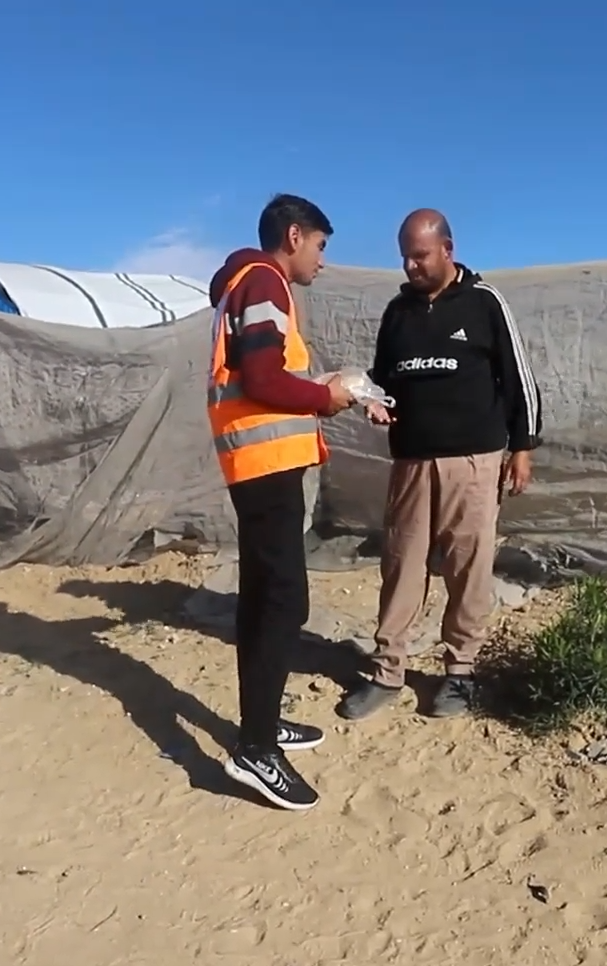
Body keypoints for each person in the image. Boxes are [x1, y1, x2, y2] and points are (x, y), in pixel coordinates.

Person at [337, 209, 543, 722]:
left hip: (472, 460)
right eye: (404, 256)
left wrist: (523, 447)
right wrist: (374, 400)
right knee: (402, 564)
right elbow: (385, 376)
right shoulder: (397, 313)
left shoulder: (484, 302)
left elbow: (520, 379)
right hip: (411, 459)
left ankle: (460, 672)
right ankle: (387, 672)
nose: (410, 265)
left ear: (447, 249)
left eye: (420, 255)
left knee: (467, 567)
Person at [206, 194, 357, 810]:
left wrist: (328, 389)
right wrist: (327, 398)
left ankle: (261, 725)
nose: (323, 260)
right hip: (264, 467)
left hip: (261, 465)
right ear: (294, 236)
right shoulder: (264, 280)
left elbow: (263, 377)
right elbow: (264, 380)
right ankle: (256, 750)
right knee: (283, 599)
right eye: (321, 245)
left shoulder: (244, 283)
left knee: (264, 595)